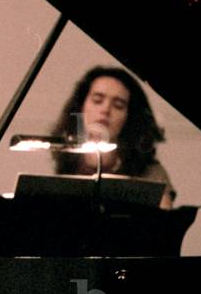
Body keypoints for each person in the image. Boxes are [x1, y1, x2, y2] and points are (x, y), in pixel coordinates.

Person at [51, 66, 175, 208]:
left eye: (118, 105)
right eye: (97, 101)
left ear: (129, 117)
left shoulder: (151, 173)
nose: (105, 110)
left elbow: (164, 218)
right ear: (81, 107)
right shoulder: (67, 162)